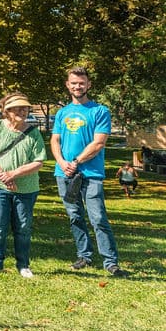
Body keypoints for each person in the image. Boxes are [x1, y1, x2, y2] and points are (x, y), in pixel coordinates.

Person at [51, 66, 125, 276]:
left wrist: (75, 161)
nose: (78, 86)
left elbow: (98, 143)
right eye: (74, 83)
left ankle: (110, 262)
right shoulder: (62, 113)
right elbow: (55, 140)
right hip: (64, 173)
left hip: (90, 174)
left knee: (98, 217)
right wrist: (61, 162)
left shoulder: (99, 111)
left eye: (81, 83)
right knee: (74, 216)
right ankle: (84, 255)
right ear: (68, 85)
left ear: (89, 85)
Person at [0, 92, 46, 278]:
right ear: (6, 111)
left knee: (23, 227)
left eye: (25, 108)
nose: (22, 111)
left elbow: (39, 161)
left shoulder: (33, 133)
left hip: (26, 188)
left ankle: (23, 265)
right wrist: (2, 175)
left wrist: (14, 174)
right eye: (17, 108)